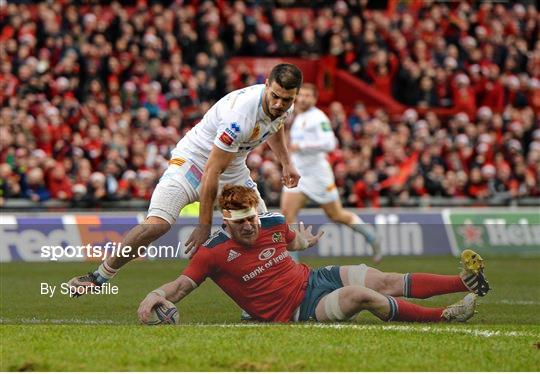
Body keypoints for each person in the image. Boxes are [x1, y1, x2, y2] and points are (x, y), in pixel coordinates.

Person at [68, 64, 303, 294]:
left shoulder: (282, 107)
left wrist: (286, 162)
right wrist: (204, 226)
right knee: (158, 224)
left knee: (262, 230)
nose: (279, 104)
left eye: (286, 100)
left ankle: (263, 296)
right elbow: (211, 172)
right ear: (266, 86)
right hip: (193, 163)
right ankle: (100, 276)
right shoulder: (239, 117)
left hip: (232, 169)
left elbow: (274, 126)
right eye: (275, 96)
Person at [138, 185, 490, 324]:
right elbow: (182, 286)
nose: (249, 227)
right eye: (241, 223)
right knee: (362, 295)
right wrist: (155, 294)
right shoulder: (213, 252)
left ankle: (464, 281)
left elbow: (288, 241)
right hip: (295, 309)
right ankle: (444, 316)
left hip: (314, 278)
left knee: (384, 279)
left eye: (251, 219)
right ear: (226, 224)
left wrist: (302, 243)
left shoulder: (272, 222)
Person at [280, 84, 381, 263]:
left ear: (314, 99)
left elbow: (330, 144)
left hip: (318, 175)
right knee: (287, 214)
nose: (302, 99)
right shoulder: (298, 114)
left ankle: (372, 237)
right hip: (299, 174)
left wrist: (301, 146)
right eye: (300, 95)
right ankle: (292, 266)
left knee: (336, 215)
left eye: (307, 96)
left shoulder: (318, 118)